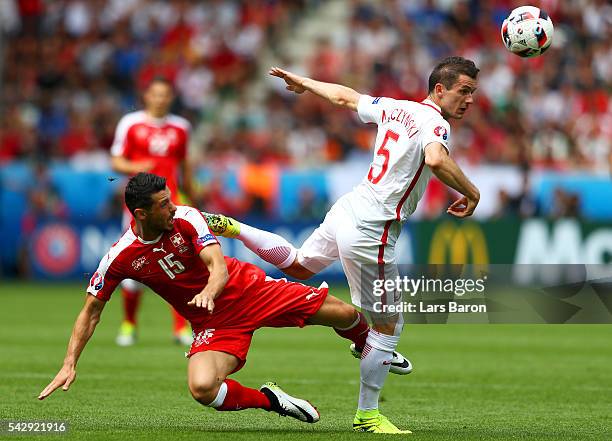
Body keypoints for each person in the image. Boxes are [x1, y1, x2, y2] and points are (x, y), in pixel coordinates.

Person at [204, 56, 481, 433]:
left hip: (348, 208)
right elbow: (434, 158)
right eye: (464, 91)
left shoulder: (396, 107)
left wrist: (304, 81)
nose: (469, 100)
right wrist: (472, 191)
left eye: (473, 93)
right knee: (389, 326)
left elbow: (346, 98)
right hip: (373, 228)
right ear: (439, 89)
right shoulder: (435, 123)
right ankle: (368, 414)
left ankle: (235, 228)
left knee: (299, 265)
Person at [38, 173, 411, 430]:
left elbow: (216, 265)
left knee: (346, 315)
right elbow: (91, 311)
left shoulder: (187, 218)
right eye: (163, 205)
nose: (172, 207)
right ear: (141, 214)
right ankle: (272, 401)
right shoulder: (120, 256)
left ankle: (372, 349)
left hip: (250, 290)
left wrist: (210, 291)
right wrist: (69, 362)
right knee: (202, 389)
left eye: (170, 200)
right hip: (214, 323)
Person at [110, 77, 196, 346]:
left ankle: (180, 328)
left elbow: (185, 165)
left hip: (172, 204)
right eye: (155, 94)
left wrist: (190, 197)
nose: (160, 99)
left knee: (180, 261)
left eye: (165, 94)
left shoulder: (181, 127)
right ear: (147, 96)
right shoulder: (131, 123)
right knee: (134, 260)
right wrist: (136, 166)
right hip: (140, 207)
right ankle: (129, 325)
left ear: (171, 98)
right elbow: (116, 161)